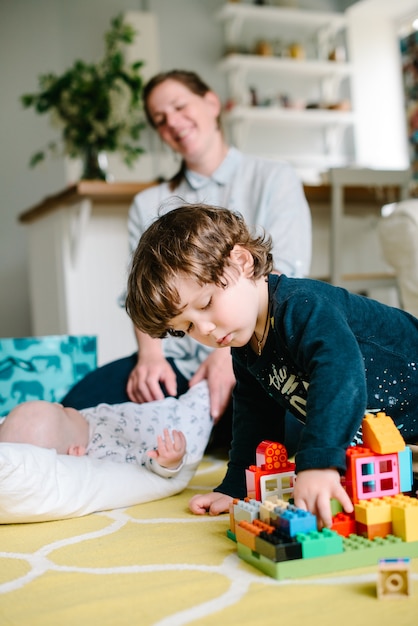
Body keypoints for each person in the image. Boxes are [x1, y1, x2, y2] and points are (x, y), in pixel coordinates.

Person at [125, 204, 418, 529]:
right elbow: (254, 417)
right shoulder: (246, 346)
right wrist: (238, 487)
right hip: (396, 439)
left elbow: (340, 375)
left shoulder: (302, 307)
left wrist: (318, 463)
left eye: (206, 304)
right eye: (187, 328)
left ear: (242, 261)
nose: (204, 330)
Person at [62, 69, 312, 447]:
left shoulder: (274, 177)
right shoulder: (147, 203)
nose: (173, 123)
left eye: (179, 106)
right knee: (76, 405)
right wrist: (150, 358)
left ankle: (205, 428)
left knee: (299, 426)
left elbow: (281, 274)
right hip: (177, 361)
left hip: (258, 355)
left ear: (212, 102)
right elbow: (143, 296)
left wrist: (231, 356)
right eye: (160, 120)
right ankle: (199, 425)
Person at [0, 380, 212, 479]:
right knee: (210, 394)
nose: (60, 405)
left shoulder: (82, 421)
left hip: (163, 406)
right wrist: (168, 461)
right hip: (187, 422)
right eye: (62, 412)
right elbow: (143, 460)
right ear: (75, 452)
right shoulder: (103, 452)